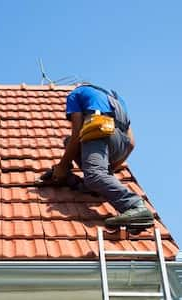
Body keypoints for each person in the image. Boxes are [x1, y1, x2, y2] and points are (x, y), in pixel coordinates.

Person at [52, 83, 154, 227]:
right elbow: (131, 143)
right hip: (120, 144)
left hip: (99, 130)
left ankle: (135, 206)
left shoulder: (75, 95)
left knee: (93, 173)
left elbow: (76, 135)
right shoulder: (116, 99)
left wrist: (62, 167)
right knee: (71, 145)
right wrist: (109, 170)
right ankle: (98, 184)